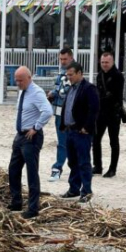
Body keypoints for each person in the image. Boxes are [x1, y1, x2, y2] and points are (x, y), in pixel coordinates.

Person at [8, 66, 53, 219]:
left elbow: (47, 111)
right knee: (13, 169)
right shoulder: (23, 91)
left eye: (20, 80)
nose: (17, 83)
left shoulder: (37, 92)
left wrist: (36, 127)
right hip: (20, 135)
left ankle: (33, 208)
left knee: (32, 173)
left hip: (31, 137)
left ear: (29, 78)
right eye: (16, 80)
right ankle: (16, 202)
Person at [60, 62, 100, 203]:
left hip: (81, 132)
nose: (69, 77)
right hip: (70, 130)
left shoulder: (89, 88)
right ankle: (74, 189)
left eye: (71, 75)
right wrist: (64, 125)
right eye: (68, 75)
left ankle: (86, 191)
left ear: (79, 73)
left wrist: (86, 127)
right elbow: (68, 107)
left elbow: (94, 109)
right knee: (72, 162)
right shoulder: (71, 89)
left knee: (83, 162)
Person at [93, 51, 125, 178]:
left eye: (107, 62)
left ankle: (113, 169)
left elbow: (116, 96)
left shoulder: (118, 76)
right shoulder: (99, 75)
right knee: (95, 140)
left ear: (112, 62)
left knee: (113, 142)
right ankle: (98, 166)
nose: (104, 64)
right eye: (102, 62)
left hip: (113, 113)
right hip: (100, 113)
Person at [47, 47, 75, 182]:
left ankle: (57, 168)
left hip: (69, 113)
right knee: (64, 142)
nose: (63, 61)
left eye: (65, 59)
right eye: (61, 59)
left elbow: (65, 90)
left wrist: (54, 92)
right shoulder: (62, 72)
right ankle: (72, 167)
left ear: (71, 57)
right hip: (59, 112)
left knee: (66, 143)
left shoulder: (74, 71)